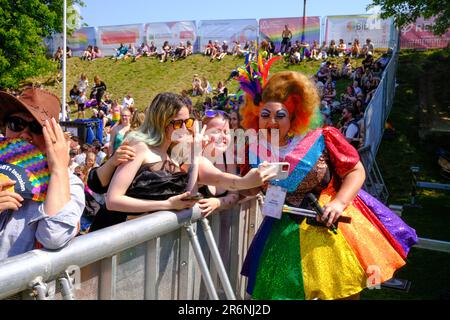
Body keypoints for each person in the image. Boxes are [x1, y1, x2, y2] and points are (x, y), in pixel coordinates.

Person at [237, 70, 418, 300]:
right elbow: (247, 189)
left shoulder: (322, 137)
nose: (271, 122)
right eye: (265, 114)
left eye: (280, 115)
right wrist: (231, 193)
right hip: (283, 233)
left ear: (294, 115)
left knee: (341, 292)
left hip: (331, 228)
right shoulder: (253, 151)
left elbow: (355, 170)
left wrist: (339, 203)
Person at [88, 92, 274, 230]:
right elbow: (113, 200)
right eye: (178, 123)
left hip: (136, 243)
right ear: (161, 122)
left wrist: (247, 182)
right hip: (111, 235)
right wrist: (167, 204)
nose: (185, 128)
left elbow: (216, 179)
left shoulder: (175, 155)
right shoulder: (140, 147)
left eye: (189, 122)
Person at [0, 88, 85, 260]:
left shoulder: (69, 184)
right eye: (16, 123)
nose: (24, 134)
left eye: (36, 128)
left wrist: (59, 168)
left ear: (53, 137)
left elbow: (54, 237)